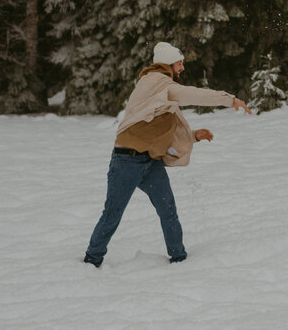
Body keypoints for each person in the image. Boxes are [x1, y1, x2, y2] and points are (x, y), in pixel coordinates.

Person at [84, 41, 251, 267]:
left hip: (150, 161)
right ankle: (91, 261)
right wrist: (229, 99)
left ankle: (179, 259)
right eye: (179, 63)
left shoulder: (161, 89)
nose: (182, 68)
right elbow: (192, 95)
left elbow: (158, 129)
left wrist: (192, 135)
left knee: (168, 210)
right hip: (126, 161)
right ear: (167, 64)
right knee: (112, 214)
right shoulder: (155, 82)